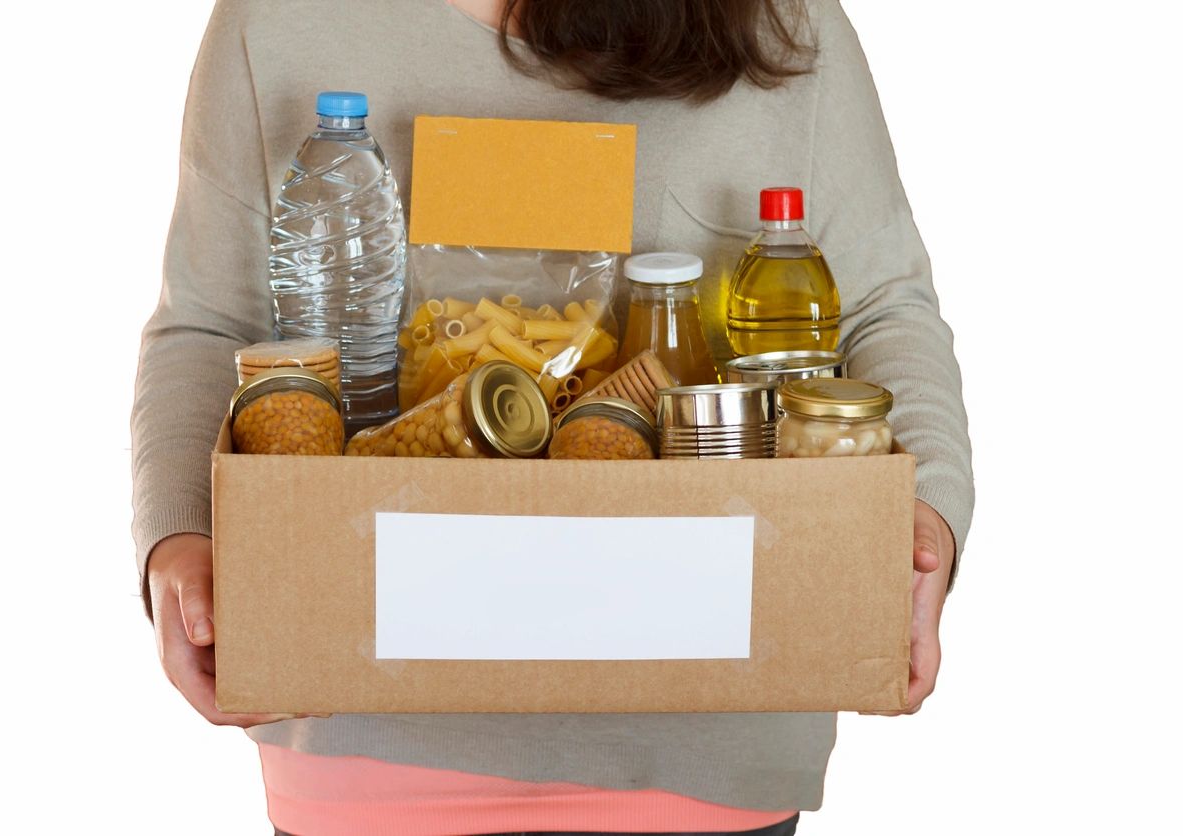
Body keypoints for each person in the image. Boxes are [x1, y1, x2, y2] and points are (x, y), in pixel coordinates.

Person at [132, 0, 974, 833]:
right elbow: (208, 326)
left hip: (708, 724)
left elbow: (882, 309)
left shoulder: (784, 22)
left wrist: (924, 509)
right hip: (364, 720)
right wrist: (178, 540)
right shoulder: (280, 19)